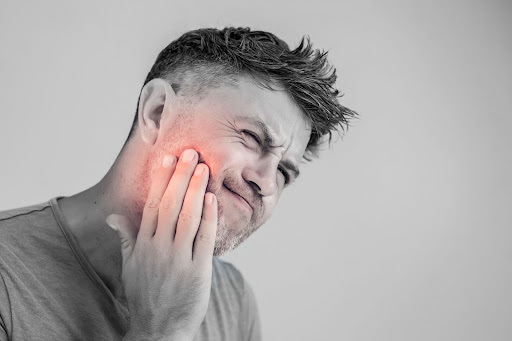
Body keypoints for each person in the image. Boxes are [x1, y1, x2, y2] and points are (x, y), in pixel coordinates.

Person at [0, 27, 357, 340]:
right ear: (157, 112)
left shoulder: (233, 299)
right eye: (251, 136)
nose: (266, 182)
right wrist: (161, 332)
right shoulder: (7, 274)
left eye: (284, 172)